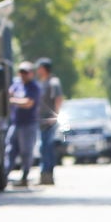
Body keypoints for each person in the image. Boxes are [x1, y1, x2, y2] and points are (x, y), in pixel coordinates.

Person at [3, 60, 41, 187]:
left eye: (26, 72)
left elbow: (28, 103)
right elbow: (9, 93)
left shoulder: (33, 87)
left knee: (26, 152)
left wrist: (13, 100)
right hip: (15, 123)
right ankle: (5, 174)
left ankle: (25, 176)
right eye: (21, 72)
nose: (23, 75)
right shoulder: (17, 85)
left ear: (31, 73)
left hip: (28, 124)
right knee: (10, 149)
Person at [35, 57, 63, 185]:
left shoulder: (53, 82)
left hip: (49, 122)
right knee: (43, 148)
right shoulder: (42, 82)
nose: (37, 70)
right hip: (41, 121)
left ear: (44, 68)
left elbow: (58, 99)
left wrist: (55, 116)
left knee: (47, 148)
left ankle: (48, 175)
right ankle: (44, 175)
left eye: (39, 68)